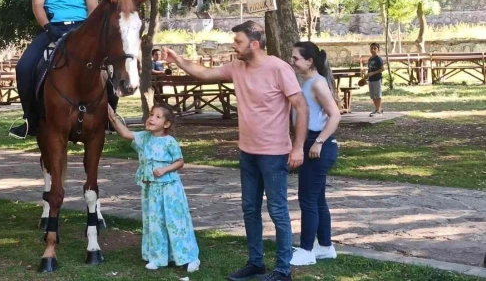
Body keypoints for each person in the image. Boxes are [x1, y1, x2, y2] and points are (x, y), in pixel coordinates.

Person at [162, 20, 308, 281]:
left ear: (254, 44)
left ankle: (283, 269)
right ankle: (256, 263)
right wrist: (178, 59)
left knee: (277, 211)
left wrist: (298, 148)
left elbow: (301, 106)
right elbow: (205, 73)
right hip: (247, 152)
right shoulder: (237, 67)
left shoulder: (279, 68)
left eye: (238, 42)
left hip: (274, 153)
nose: (234, 46)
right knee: (250, 209)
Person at [9, 0, 118, 139]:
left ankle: (110, 117)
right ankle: (30, 120)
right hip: (53, 27)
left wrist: (93, 33)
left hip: (82, 28)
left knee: (111, 67)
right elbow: (37, 5)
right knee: (24, 67)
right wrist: (48, 28)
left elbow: (93, 7)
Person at [107, 103, 200, 273]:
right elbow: (125, 133)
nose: (151, 118)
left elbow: (180, 162)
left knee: (176, 222)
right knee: (155, 223)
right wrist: (113, 117)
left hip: (170, 189)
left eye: (157, 116)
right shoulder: (144, 137)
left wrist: (165, 169)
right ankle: (158, 257)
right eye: (151, 114)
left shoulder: (169, 141)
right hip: (151, 191)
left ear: (166, 124)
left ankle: (190, 257)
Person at [289, 41, 341, 266]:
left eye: (296, 58)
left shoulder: (317, 83)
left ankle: (307, 250)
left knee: (307, 199)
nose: (292, 62)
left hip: (318, 144)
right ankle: (326, 247)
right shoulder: (309, 82)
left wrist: (319, 142)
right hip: (311, 143)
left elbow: (335, 115)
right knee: (317, 199)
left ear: (309, 61)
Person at [366, 43, 385, 116]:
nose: (373, 50)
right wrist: (367, 75)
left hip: (377, 78)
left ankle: (379, 110)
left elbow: (382, 69)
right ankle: (377, 109)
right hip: (370, 79)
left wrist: (373, 73)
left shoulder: (378, 59)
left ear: (378, 50)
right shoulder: (370, 59)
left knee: (378, 95)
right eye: (371, 48)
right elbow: (370, 69)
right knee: (373, 95)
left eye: (375, 48)